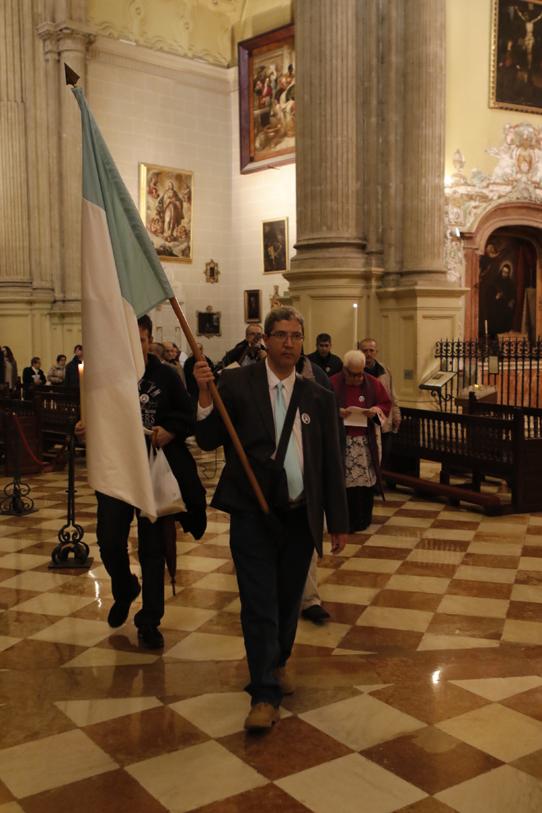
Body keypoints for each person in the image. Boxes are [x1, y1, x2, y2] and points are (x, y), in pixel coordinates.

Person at [194, 306, 348, 732]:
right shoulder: (237, 383)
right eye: (281, 335)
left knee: (286, 600)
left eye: (296, 336)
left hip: (300, 516)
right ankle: (263, 692)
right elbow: (208, 440)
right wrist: (205, 397)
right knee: (259, 602)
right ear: (265, 340)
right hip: (252, 513)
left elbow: (329, 464)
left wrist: (337, 521)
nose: (289, 343)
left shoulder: (319, 396)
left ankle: (278, 661)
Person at [95, 314, 206, 649]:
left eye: (141, 340)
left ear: (148, 340)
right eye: (129, 340)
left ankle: (150, 619)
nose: (136, 346)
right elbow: (94, 413)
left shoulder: (166, 377)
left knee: (153, 549)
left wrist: (170, 429)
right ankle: (125, 587)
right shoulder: (108, 376)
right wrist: (83, 426)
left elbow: (186, 417)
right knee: (109, 539)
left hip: (155, 469)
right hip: (118, 470)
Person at [330, 350, 391, 533]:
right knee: (343, 483)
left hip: (365, 442)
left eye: (360, 374)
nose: (358, 379)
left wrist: (375, 410)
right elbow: (320, 405)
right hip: (341, 441)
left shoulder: (372, 383)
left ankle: (363, 519)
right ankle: (344, 521)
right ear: (344, 370)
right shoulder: (332, 382)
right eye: (353, 374)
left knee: (364, 484)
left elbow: (385, 404)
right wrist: (336, 411)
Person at [358, 338, 401, 468]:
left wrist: (396, 414)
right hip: (365, 420)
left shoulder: (384, 370)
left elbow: (391, 395)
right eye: (365, 350)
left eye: (371, 350)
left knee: (384, 456)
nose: (368, 353)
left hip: (383, 419)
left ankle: (379, 483)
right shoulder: (355, 371)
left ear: (376, 351)